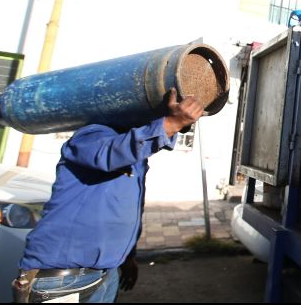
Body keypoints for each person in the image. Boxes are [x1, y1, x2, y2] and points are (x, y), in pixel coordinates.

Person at [12, 88, 204, 303]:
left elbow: (128, 208)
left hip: (107, 272)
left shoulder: (138, 156)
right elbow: (111, 154)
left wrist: (127, 256)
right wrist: (171, 123)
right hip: (63, 276)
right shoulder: (91, 135)